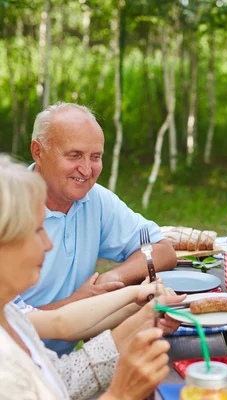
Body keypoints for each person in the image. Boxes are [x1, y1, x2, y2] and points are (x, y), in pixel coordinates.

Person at [0, 154, 180, 399]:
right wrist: (121, 394)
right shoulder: (6, 371)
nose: (48, 244)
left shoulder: (8, 311)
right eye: (37, 230)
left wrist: (140, 309)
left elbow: (62, 372)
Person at [22, 102, 177, 354]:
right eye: (74, 155)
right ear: (38, 152)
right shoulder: (10, 211)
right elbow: (11, 325)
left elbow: (161, 249)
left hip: (61, 363)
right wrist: (80, 301)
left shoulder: (95, 199)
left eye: (95, 157)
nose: (86, 170)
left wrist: (111, 280)